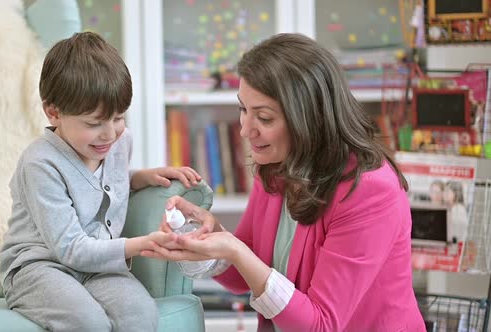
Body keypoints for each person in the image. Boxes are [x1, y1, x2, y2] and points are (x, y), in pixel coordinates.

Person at [143, 33, 425, 332]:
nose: (245, 131)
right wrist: (206, 236)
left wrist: (234, 250)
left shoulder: (369, 191)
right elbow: (246, 273)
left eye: (264, 118)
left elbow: (320, 324)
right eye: (243, 110)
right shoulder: (278, 166)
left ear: (308, 119)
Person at [0, 32, 200, 332]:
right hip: (40, 268)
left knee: (141, 313)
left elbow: (96, 187)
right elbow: (70, 249)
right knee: (87, 322)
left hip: (98, 266)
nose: (109, 133)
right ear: (54, 112)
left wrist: (137, 178)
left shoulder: (118, 142)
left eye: (118, 117)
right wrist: (138, 245)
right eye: (94, 124)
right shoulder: (39, 164)